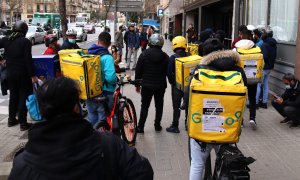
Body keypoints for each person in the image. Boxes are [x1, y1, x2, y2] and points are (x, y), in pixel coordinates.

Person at [8, 77, 154, 180]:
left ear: (41, 110)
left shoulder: (23, 163)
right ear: (76, 107)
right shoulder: (109, 144)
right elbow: (143, 172)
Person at [189, 38, 247, 180]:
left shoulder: (200, 69)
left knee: (197, 164)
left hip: (202, 126)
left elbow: (188, 95)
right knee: (225, 162)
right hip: (226, 127)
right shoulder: (238, 70)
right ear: (223, 51)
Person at [0, 21, 38, 131]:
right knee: (22, 97)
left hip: (10, 73)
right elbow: (28, 60)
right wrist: (33, 75)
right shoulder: (25, 41)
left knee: (13, 96)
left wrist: (1, 60)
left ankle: (11, 120)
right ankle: (23, 123)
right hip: (23, 74)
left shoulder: (6, 39)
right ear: (24, 31)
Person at [135, 34, 169, 133]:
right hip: (160, 86)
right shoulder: (165, 56)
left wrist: (137, 85)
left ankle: (140, 127)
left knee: (145, 106)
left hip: (146, 85)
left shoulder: (144, 54)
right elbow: (168, 71)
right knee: (159, 106)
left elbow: (138, 70)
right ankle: (157, 125)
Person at [87, 32, 117, 128]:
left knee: (92, 118)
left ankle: (91, 140)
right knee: (103, 122)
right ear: (109, 44)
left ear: (98, 41)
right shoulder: (107, 57)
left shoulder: (88, 54)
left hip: (90, 92)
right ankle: (102, 141)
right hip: (104, 93)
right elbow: (111, 78)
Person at [234, 29, 258, 130]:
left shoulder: (236, 49)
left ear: (242, 35)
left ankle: (241, 120)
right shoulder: (257, 48)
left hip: (240, 78)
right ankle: (252, 118)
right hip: (253, 78)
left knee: (240, 99)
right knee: (252, 99)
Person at [166, 36, 190, 133]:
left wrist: (172, 82)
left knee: (176, 106)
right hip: (188, 86)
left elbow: (168, 72)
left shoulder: (173, 58)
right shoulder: (190, 56)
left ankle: (175, 126)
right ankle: (188, 125)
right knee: (188, 105)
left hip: (177, 85)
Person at [256, 29, 277, 109]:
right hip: (270, 67)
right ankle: (264, 103)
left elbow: (264, 57)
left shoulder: (264, 45)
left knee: (258, 85)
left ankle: (256, 103)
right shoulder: (274, 44)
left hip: (264, 68)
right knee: (265, 84)